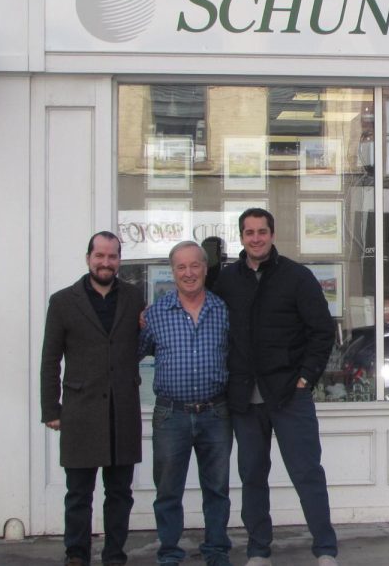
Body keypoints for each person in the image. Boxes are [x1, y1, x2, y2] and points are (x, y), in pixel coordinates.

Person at [215, 208, 338, 566]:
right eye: (249, 232)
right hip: (244, 400)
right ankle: (258, 549)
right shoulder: (226, 280)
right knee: (252, 476)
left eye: (262, 231)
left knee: (307, 473)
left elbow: (322, 331)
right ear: (241, 237)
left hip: (289, 395)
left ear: (272, 234)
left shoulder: (297, 277)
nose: (256, 238)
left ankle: (325, 548)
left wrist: (306, 378)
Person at [40, 231, 146, 566]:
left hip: (122, 411)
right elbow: (50, 358)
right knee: (78, 495)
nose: (105, 262)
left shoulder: (134, 298)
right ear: (88, 258)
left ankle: (115, 554)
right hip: (80, 411)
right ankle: (77, 554)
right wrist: (50, 409)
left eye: (112, 256)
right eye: (99, 256)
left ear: (119, 260)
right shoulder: (62, 302)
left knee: (119, 494)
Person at [139, 241, 234, 566]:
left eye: (195, 265)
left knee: (217, 490)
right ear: (173, 271)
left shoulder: (223, 311)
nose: (189, 273)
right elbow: (130, 354)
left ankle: (217, 551)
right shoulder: (154, 315)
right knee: (167, 492)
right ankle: (169, 553)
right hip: (171, 415)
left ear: (205, 269)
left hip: (216, 413)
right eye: (181, 267)